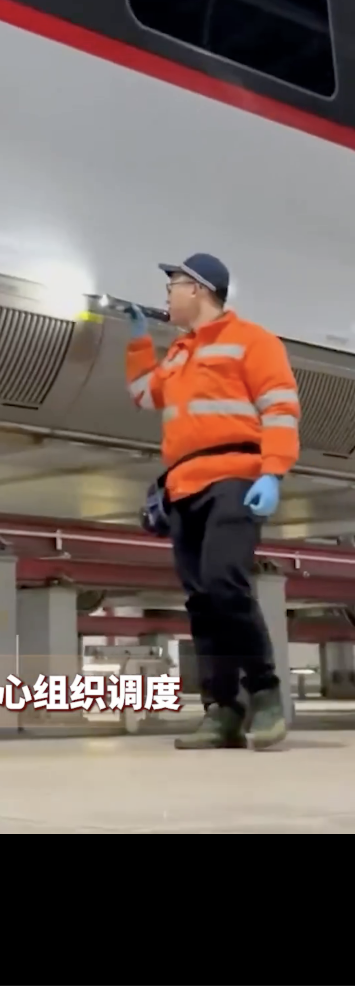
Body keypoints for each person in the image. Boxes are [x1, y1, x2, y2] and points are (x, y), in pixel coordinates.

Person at [125, 253, 300, 751]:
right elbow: (144, 395)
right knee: (201, 601)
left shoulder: (252, 340)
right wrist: (138, 340)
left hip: (235, 476)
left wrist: (273, 472)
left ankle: (265, 692)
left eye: (173, 285)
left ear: (198, 289)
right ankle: (221, 710)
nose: (167, 295)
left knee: (225, 583)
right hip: (183, 486)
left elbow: (280, 407)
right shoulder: (179, 353)